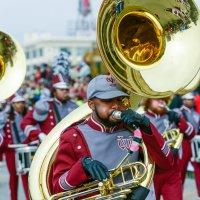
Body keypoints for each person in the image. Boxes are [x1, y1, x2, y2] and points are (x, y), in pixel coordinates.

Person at [52, 75, 175, 200]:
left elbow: (167, 163)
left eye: (119, 100)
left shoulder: (133, 128)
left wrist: (146, 125)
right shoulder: (73, 135)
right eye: (107, 100)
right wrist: (81, 168)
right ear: (91, 105)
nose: (116, 105)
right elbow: (57, 187)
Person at [144, 98, 195, 200]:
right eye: (157, 99)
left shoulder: (172, 116)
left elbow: (191, 133)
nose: (161, 101)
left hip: (172, 170)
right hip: (152, 172)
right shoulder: (141, 118)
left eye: (163, 99)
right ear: (148, 101)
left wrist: (179, 120)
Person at [21, 73, 78, 143]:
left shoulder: (73, 106)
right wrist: (39, 134)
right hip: (50, 146)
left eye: (66, 89)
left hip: (72, 144)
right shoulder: (45, 105)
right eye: (61, 89)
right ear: (54, 91)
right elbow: (25, 123)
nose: (65, 92)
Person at [0, 94, 29, 200]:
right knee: (13, 177)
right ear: (12, 104)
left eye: (22, 102)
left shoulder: (27, 114)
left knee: (26, 176)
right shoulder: (5, 116)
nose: (20, 105)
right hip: (11, 150)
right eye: (17, 103)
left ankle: (29, 197)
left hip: (24, 149)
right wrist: (6, 142)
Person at [177, 93, 200, 197]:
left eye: (192, 99)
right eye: (189, 99)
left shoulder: (196, 113)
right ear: (184, 100)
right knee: (181, 169)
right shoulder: (178, 112)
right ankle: (177, 195)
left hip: (195, 143)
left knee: (198, 168)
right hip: (184, 142)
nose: (192, 101)